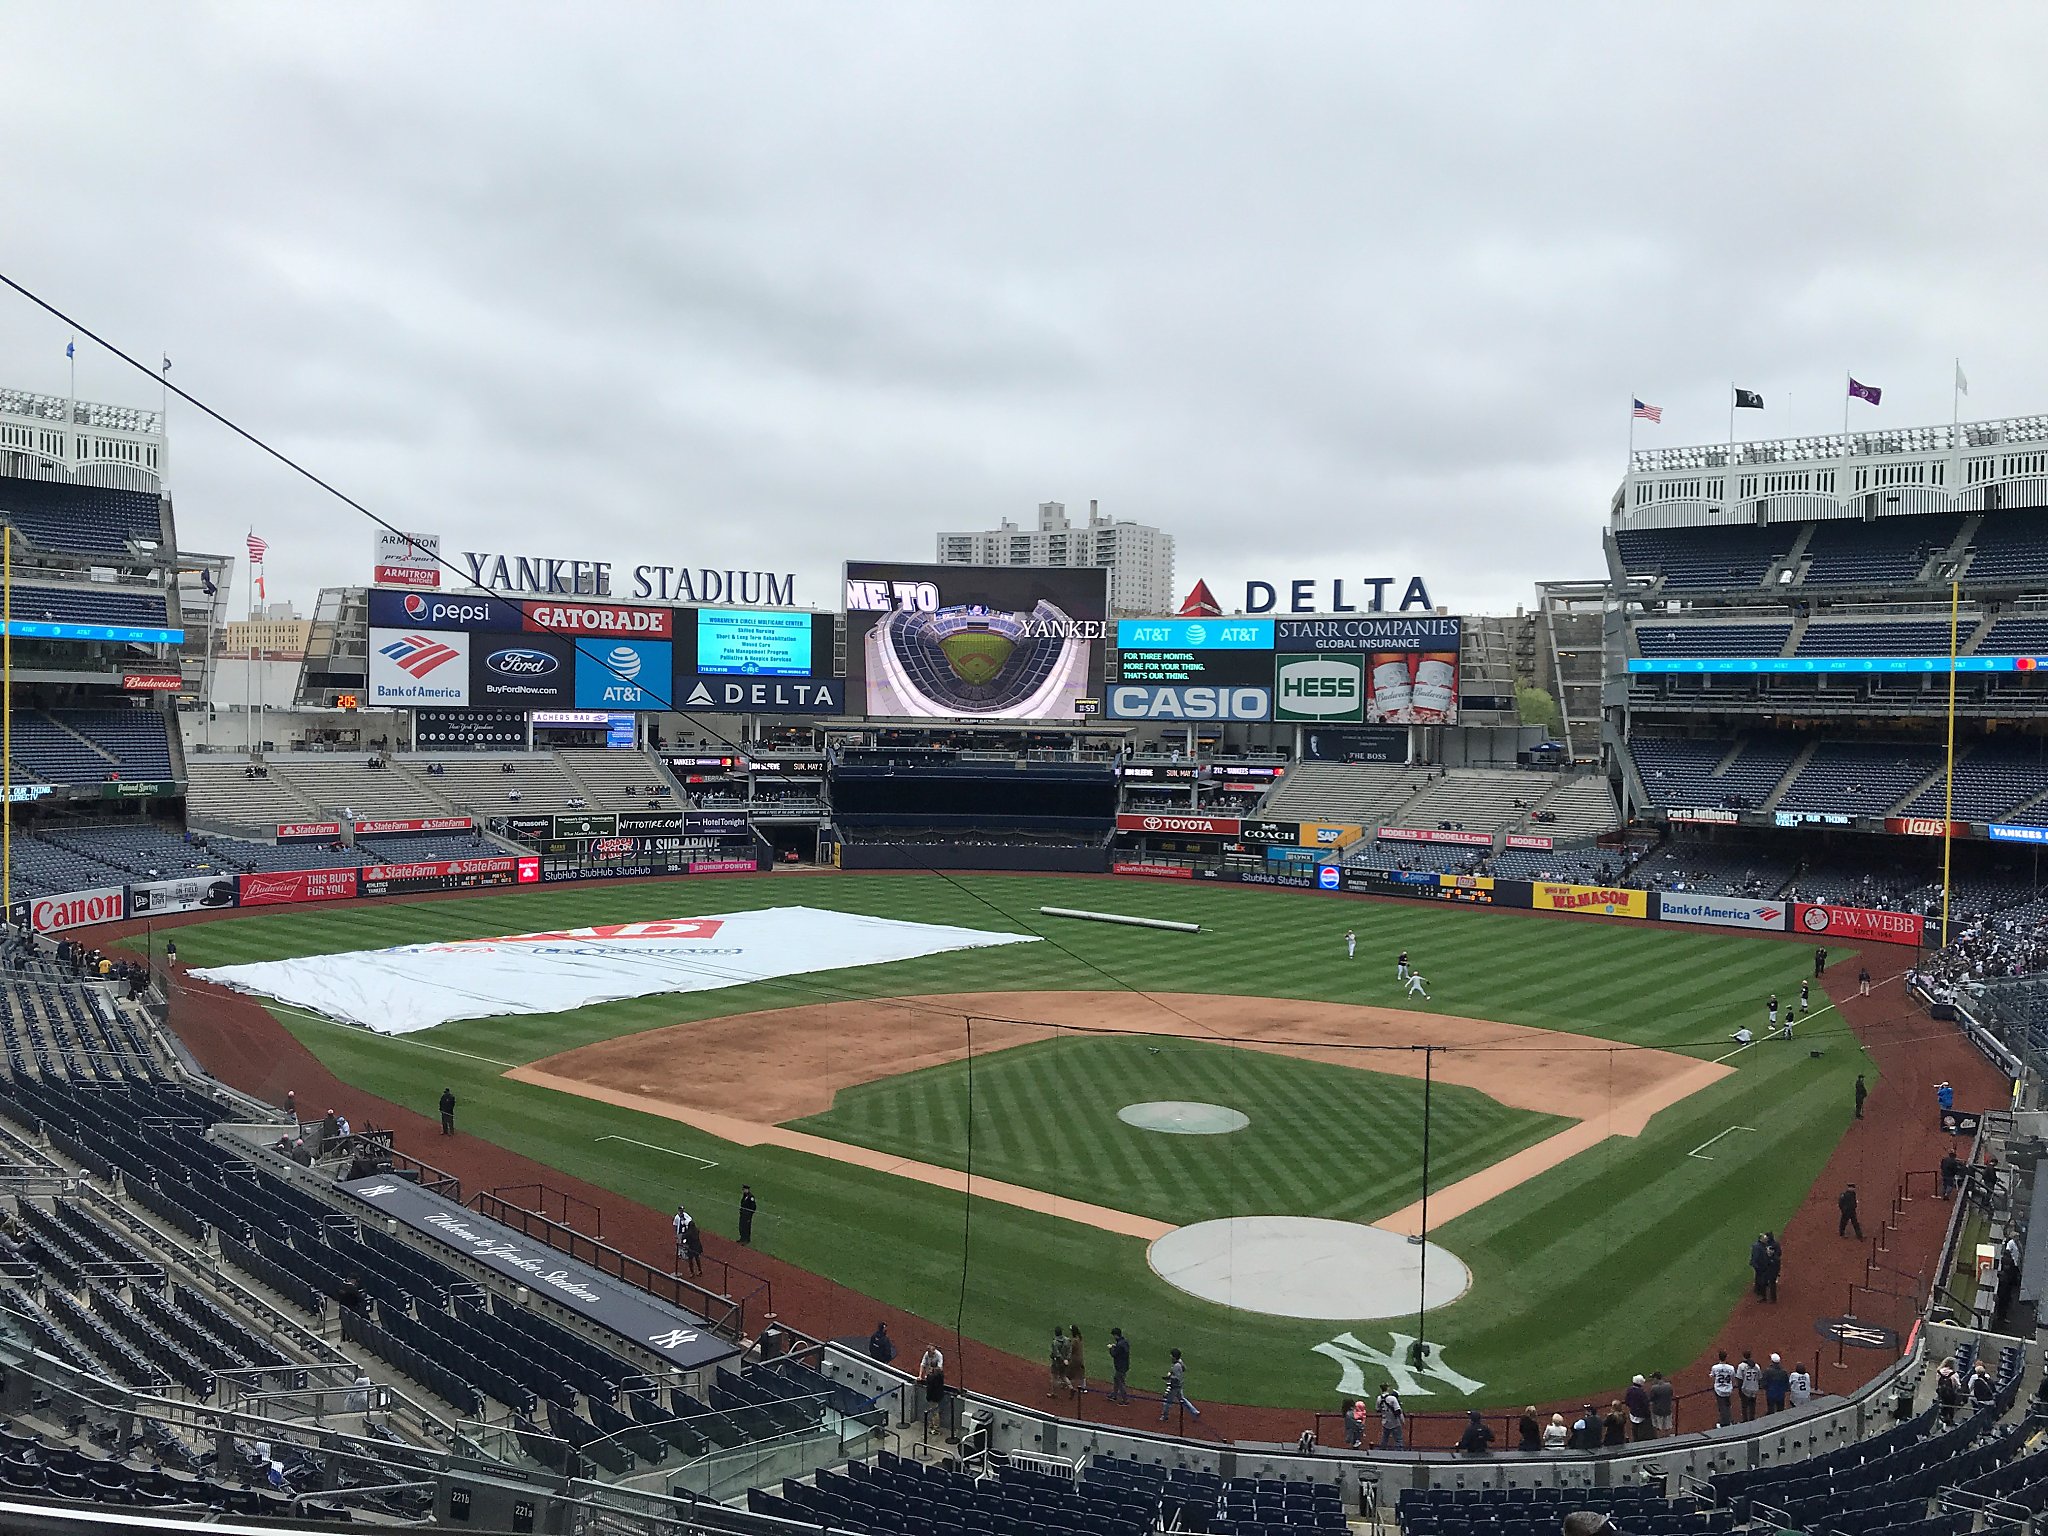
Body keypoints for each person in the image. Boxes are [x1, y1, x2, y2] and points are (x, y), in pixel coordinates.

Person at [1160, 1348, 1200, 1421]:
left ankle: (1164, 1416)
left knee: (1167, 1401)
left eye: (1171, 1355)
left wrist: (1169, 1377)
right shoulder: (1180, 1362)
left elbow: (1176, 1378)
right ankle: (1194, 1411)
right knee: (1182, 1399)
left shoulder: (1176, 1366)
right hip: (1179, 1386)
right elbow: (1184, 1369)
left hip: (1174, 1386)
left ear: (1174, 1357)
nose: (1170, 1357)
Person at [919, 1343, 947, 1435]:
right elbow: (923, 1364)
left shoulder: (932, 1377)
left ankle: (936, 1429)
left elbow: (930, 1387)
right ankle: (932, 1425)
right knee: (934, 1410)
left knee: (934, 1411)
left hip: (933, 1395)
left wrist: (928, 1396)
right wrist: (921, 1375)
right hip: (939, 1393)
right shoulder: (939, 1375)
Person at [1710, 1350, 1736, 1426]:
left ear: (1719, 1358)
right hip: (1728, 1389)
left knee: (1721, 1407)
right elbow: (1733, 1376)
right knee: (1727, 1405)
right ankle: (1728, 1420)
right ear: (1726, 1358)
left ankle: (1724, 1423)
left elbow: (1713, 1375)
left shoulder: (1715, 1367)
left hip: (1719, 1390)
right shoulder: (1731, 1368)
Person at [1375, 1383, 1403, 1447]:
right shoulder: (1392, 1398)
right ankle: (1399, 1454)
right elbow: (1398, 1411)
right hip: (1395, 1422)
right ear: (1387, 1388)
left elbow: (1377, 1409)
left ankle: (1382, 1453)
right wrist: (1401, 1420)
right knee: (1398, 1440)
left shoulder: (1379, 1398)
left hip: (1385, 1422)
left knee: (1384, 1439)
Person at [1108, 1327, 1131, 1404]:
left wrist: (1111, 1348)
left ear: (1116, 1335)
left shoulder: (1120, 1344)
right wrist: (1115, 1346)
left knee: (1121, 1382)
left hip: (1120, 1367)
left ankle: (1125, 1400)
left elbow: (1114, 1354)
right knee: (1116, 1379)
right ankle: (1114, 1395)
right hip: (1124, 1365)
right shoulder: (1124, 1342)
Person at [1648, 1370, 1675, 1435]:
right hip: (1667, 1410)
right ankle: (1668, 1441)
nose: (1652, 1381)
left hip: (1658, 1411)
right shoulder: (1669, 1386)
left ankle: (1660, 1442)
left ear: (1655, 1378)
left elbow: (1651, 1399)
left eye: (1653, 1379)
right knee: (1668, 1427)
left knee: (1658, 1428)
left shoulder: (1654, 1388)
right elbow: (1671, 1395)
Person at [1625, 1375, 1651, 1441]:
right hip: (1641, 1415)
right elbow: (1645, 1404)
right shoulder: (1641, 1393)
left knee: (1634, 1429)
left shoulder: (1629, 1390)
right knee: (1642, 1431)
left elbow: (1627, 1402)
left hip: (1632, 1413)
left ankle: (1635, 1440)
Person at [1749, 1233, 1772, 1300]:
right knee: (1761, 1280)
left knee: (1759, 1277)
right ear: (1761, 1239)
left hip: (1762, 1265)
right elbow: (1755, 1258)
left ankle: (1757, 1290)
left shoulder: (1762, 1245)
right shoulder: (1757, 1247)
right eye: (1765, 1239)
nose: (1766, 1240)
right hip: (1759, 1266)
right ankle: (1761, 1294)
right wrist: (1757, 1266)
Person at [1049, 1326, 1070, 1397]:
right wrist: (1066, 1359)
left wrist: (1063, 1359)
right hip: (1065, 1362)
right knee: (1063, 1376)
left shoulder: (1055, 1342)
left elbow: (1056, 1353)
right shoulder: (1067, 1340)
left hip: (1057, 1363)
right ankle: (1071, 1388)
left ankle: (1054, 1393)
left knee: (1054, 1377)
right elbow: (1069, 1351)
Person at [1763, 1231, 1782, 1302]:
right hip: (1767, 1265)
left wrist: (1772, 1255)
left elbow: (1779, 1254)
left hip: (1774, 1266)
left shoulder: (1775, 1245)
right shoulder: (1765, 1244)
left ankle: (1773, 1299)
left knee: (1772, 1282)